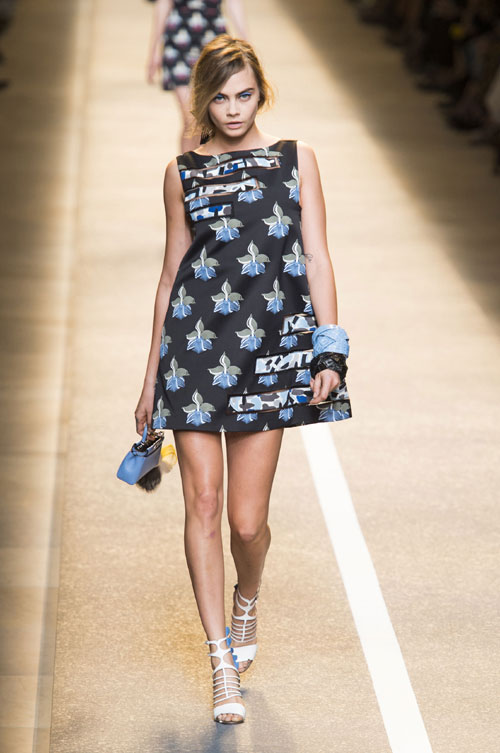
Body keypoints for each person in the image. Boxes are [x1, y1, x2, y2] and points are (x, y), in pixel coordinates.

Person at [135, 34, 352, 724]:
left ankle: (247, 597)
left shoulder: (296, 159)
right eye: (222, 98)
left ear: (262, 93)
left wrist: (330, 351)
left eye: (246, 95)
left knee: (246, 521)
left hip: (268, 354)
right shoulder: (181, 173)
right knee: (202, 503)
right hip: (195, 356)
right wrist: (150, 380)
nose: (233, 109)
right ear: (203, 100)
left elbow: (317, 256)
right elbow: (170, 276)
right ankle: (220, 660)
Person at [146, 0, 247, 151]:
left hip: (214, 43)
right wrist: (154, 50)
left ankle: (200, 163)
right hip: (178, 42)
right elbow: (164, 3)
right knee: (191, 119)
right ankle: (186, 165)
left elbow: (234, 3)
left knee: (204, 119)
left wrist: (246, 44)